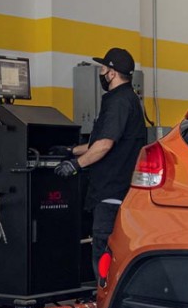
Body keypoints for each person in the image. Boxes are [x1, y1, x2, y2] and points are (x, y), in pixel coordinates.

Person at [52, 47, 146, 280]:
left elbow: (104, 145)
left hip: (111, 191)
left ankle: (104, 299)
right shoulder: (127, 99)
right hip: (117, 189)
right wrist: (70, 151)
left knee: (104, 251)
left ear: (112, 73)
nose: (101, 73)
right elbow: (99, 142)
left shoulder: (119, 101)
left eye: (103, 69)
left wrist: (76, 165)